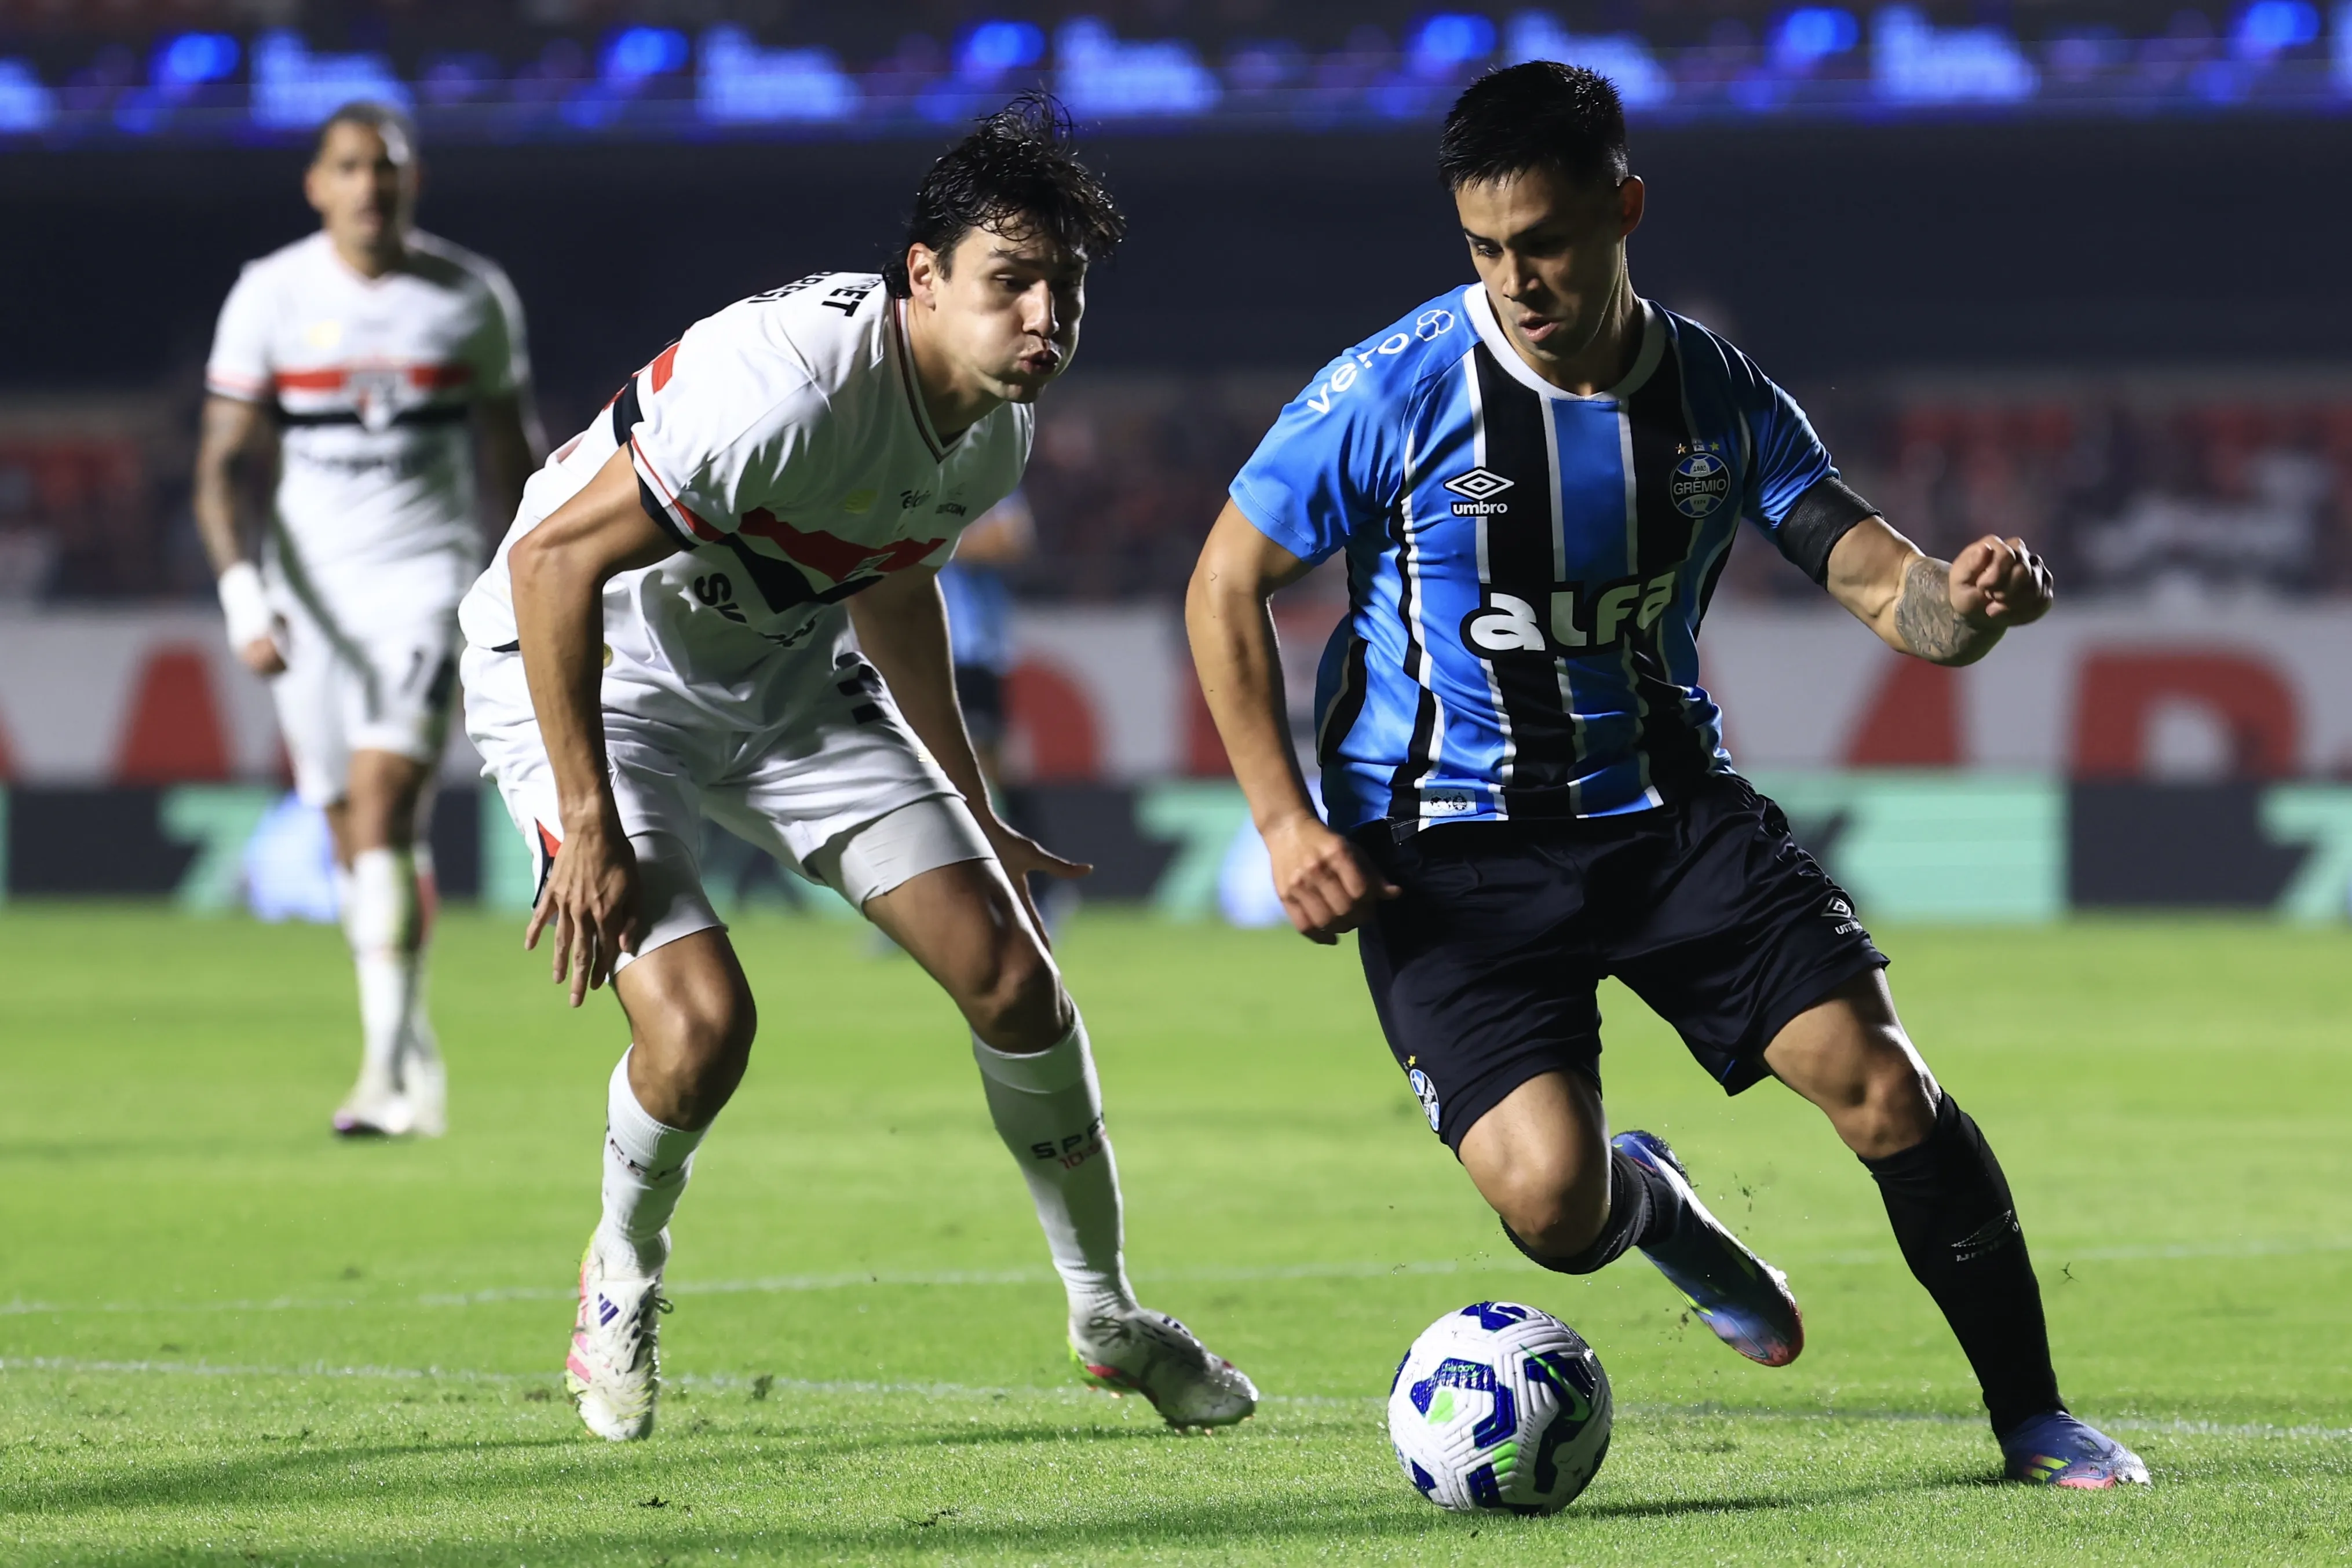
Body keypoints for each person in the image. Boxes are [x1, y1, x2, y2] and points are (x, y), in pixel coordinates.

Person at [1186, 62, 2146, 1489]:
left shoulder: (1716, 396)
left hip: (1666, 816)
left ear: (1622, 208)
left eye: (1547, 242)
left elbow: (1894, 595)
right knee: (1550, 1205)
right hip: (1444, 850)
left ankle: (2032, 1420)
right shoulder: (1391, 393)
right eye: (1486, 250)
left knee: (1880, 1083)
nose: (1517, 280)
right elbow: (1223, 587)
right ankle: (1659, 1218)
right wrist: (1281, 818)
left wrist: (1973, 604)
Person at [456, 96, 1255, 1443]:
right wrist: (585, 817)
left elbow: (892, 589)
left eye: (1064, 290)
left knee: (1014, 979)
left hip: (780, 679)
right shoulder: (791, 390)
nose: (1045, 320)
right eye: (1013, 284)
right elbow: (548, 565)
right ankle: (619, 1277)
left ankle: (1108, 1318)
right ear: (924, 280)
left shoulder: (991, 427)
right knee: (703, 1029)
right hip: (606, 678)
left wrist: (969, 803)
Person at [196, 100, 540, 1139]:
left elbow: (512, 455)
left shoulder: (469, 297)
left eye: (385, 168)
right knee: (352, 829)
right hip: (308, 600)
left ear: (410, 182)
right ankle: (412, 1053)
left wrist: (532, 583)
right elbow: (222, 466)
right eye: (349, 167)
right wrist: (245, 592)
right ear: (318, 183)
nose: (368, 186)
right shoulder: (271, 294)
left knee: (389, 807)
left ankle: (384, 1077)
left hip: (424, 584)